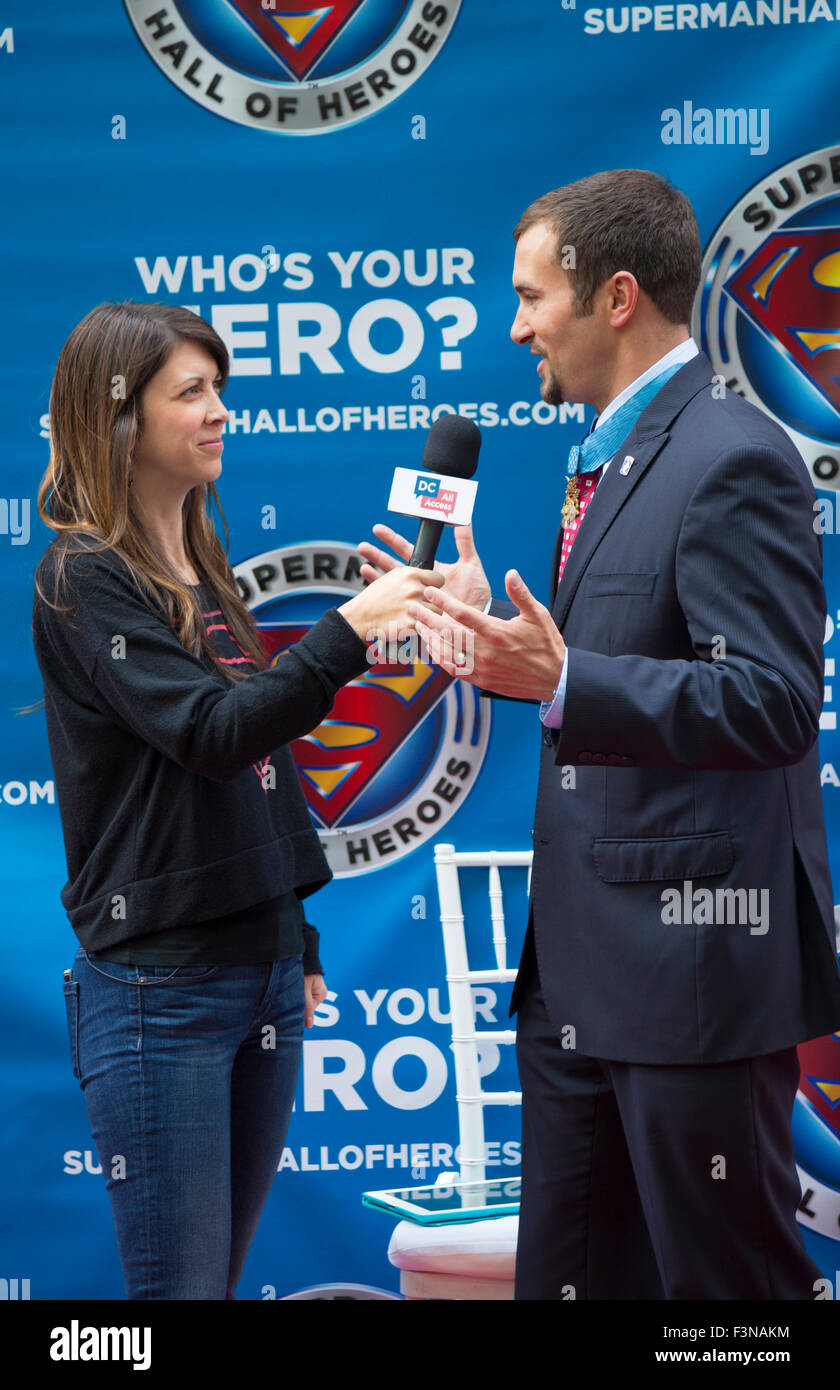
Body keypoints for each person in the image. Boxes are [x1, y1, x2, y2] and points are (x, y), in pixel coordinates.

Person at [360, 169, 840, 1300]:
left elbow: (771, 701)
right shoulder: (611, 454)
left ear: (616, 296)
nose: (514, 324)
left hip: (689, 980)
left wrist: (569, 674)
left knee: (728, 1301)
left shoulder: (732, 454)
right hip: (578, 981)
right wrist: (502, 651)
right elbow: (620, 675)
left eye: (532, 297)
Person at [31, 300, 439, 1300]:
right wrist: (346, 630)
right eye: (192, 392)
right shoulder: (83, 577)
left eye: (222, 390)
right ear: (120, 419)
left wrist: (290, 935)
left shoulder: (203, 568)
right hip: (158, 994)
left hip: (257, 977)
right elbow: (212, 738)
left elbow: (268, 764)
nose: (220, 412)